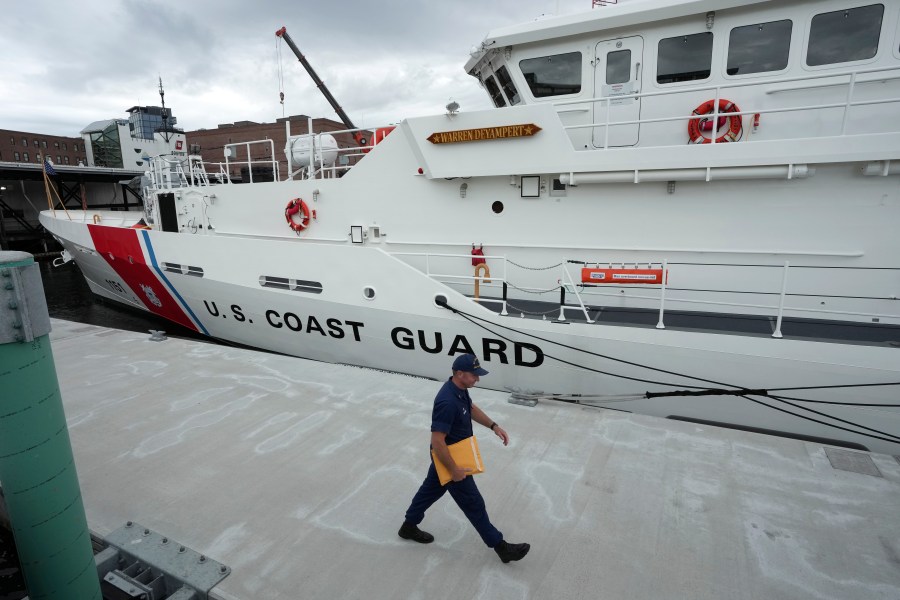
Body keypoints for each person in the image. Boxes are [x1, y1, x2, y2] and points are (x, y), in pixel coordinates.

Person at [398, 354, 530, 563]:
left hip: (448, 457)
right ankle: (501, 547)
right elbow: (438, 441)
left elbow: (471, 408)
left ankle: (408, 526)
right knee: (473, 503)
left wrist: (493, 426)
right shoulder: (447, 401)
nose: (477, 379)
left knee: (429, 491)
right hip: (450, 459)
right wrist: (454, 470)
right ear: (460, 374)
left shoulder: (459, 390)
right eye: (474, 375)